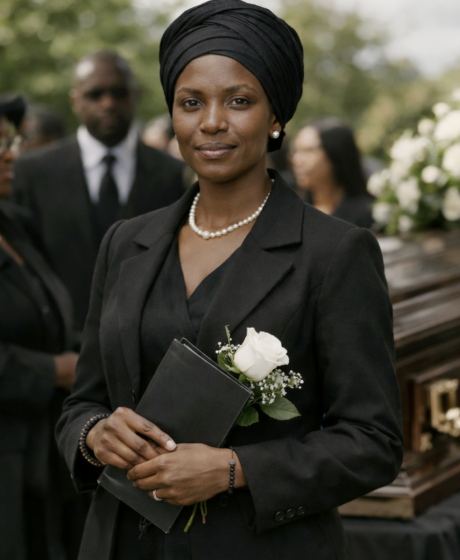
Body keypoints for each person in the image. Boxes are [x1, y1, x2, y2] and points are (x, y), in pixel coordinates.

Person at [56, 2, 403, 559]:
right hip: (121, 542)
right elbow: (82, 403)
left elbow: (373, 442)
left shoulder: (334, 252)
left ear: (275, 117)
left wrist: (234, 469)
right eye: (191, 102)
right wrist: (93, 434)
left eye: (238, 101)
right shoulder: (126, 243)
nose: (211, 122)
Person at [13, 51, 186, 332]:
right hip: (62, 342)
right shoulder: (32, 173)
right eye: (95, 94)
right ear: (75, 100)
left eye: (119, 93)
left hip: (148, 339)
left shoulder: (174, 174)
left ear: (136, 95)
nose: (108, 103)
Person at [0, 95, 87, 560]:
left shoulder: (15, 224)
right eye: (0, 145)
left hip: (43, 451)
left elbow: (50, 317)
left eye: (11, 142)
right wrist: (54, 370)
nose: (10, 155)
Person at [291, 118, 375, 228]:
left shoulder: (368, 213)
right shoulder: (293, 211)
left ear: (335, 153)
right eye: (296, 151)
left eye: (308, 150)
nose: (297, 160)